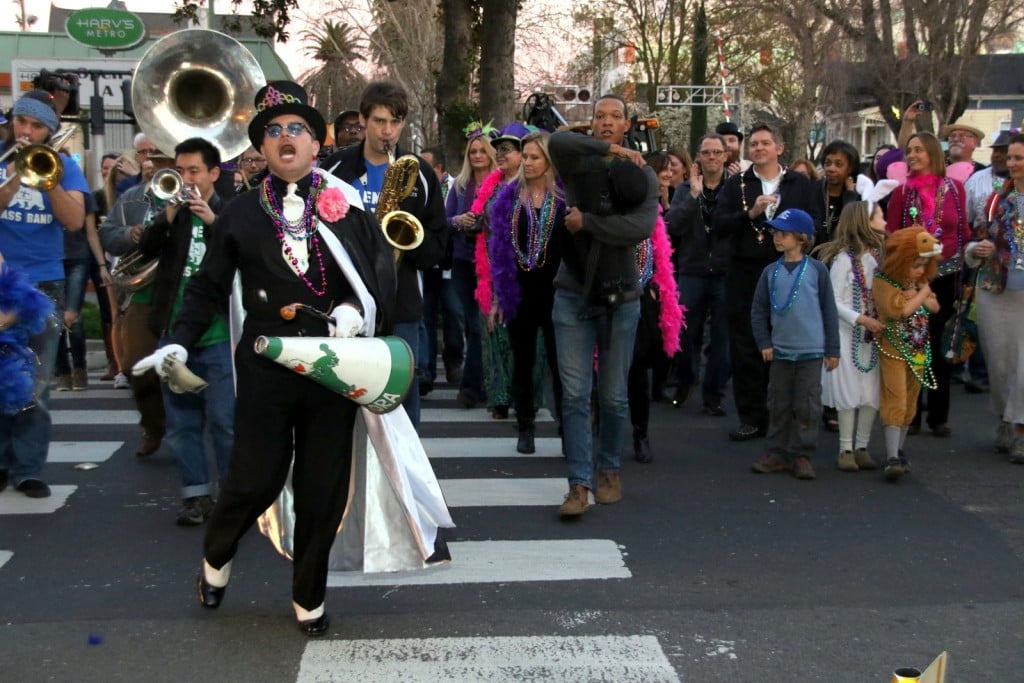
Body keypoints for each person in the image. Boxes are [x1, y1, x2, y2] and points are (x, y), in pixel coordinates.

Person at [132, 81, 420, 635]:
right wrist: (180, 339)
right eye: (273, 131)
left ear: (317, 145)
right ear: (261, 149)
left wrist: (353, 313)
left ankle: (308, 598)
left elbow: (373, 280)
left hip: (331, 366)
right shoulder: (239, 215)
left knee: (323, 488)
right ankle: (216, 558)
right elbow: (208, 288)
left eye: (297, 130)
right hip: (266, 365)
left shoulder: (346, 205)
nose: (285, 138)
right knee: (255, 479)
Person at [548, 94, 658, 516]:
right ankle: (578, 484)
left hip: (622, 297)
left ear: (628, 123)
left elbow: (640, 226)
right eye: (600, 117)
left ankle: (608, 468)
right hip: (572, 293)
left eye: (616, 118)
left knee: (612, 398)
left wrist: (588, 223)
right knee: (575, 396)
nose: (607, 122)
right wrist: (611, 149)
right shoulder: (579, 160)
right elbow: (557, 141)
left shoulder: (641, 175)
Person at [320, 81, 448, 429]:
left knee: (400, 399)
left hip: (401, 301)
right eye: (378, 121)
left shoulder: (419, 173)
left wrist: (409, 243)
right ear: (363, 120)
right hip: (346, 301)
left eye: (394, 122)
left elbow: (438, 242)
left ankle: (404, 479)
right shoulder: (333, 170)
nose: (387, 131)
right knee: (345, 396)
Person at [132, 137, 234, 526]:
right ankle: (196, 496)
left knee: (225, 422)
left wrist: (213, 223)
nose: (186, 178)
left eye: (194, 170)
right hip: (173, 333)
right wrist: (168, 216)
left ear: (213, 173)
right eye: (181, 170)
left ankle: (231, 494)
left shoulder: (228, 214)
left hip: (219, 335)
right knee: (182, 424)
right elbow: (146, 252)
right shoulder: (170, 211)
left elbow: (241, 257)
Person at [0, 90, 88, 498]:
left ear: (49, 131)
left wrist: (47, 178)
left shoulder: (64, 166)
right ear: (13, 122)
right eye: (23, 122)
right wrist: (17, 172)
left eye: (37, 126)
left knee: (36, 380)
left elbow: (73, 221)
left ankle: (29, 468)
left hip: (44, 282)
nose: (28, 131)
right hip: (3, 279)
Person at [714, 123, 820, 441]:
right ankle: (752, 417)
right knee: (747, 345)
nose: (759, 148)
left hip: (790, 271)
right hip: (746, 273)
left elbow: (816, 224)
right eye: (754, 144)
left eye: (765, 143)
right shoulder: (737, 185)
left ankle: (786, 416)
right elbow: (719, 224)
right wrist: (750, 215)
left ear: (779, 148)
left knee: (788, 344)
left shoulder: (798, 183)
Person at [885, 131, 970, 437]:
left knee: (940, 344)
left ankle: (938, 415)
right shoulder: (902, 193)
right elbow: (892, 233)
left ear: (933, 153)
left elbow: (963, 231)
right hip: (913, 277)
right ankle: (911, 414)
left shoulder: (955, 189)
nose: (912, 155)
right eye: (909, 150)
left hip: (946, 275)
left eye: (919, 150)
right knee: (914, 342)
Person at [486, 131, 565, 454]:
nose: (528, 163)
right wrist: (498, 297)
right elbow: (498, 251)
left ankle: (567, 428)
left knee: (562, 364)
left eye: (535, 157)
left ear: (548, 161)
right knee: (523, 360)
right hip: (519, 291)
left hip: (558, 292)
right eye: (526, 157)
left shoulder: (562, 200)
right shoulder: (508, 198)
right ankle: (526, 426)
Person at [750, 209, 839, 480]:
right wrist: (764, 341)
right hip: (780, 351)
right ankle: (776, 452)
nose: (777, 237)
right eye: (775, 232)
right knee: (777, 402)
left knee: (808, 405)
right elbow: (758, 310)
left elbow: (829, 310)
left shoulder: (817, 270)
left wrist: (832, 348)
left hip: (811, 352)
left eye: (783, 233)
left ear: (802, 238)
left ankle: (802, 454)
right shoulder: (770, 272)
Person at [100, 151, 177, 456]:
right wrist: (129, 234)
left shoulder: (190, 192)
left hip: (183, 289)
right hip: (144, 290)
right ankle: (154, 424)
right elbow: (106, 234)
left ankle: (190, 428)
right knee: (134, 364)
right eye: (147, 156)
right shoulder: (132, 197)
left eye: (159, 157)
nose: (151, 163)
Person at [813, 200, 889, 471]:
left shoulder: (876, 259)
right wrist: (862, 320)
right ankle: (845, 447)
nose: (886, 222)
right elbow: (833, 302)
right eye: (880, 217)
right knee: (848, 391)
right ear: (864, 222)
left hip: (872, 336)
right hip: (847, 335)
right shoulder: (844, 261)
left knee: (870, 391)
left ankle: (863, 445)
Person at [964, 132, 1024, 463]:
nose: (1012, 164)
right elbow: (975, 239)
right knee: (1000, 366)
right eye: (1010, 157)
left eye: (1019, 158)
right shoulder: (994, 201)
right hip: (996, 292)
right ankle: (1005, 417)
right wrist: (977, 250)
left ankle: (1020, 430)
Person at [666, 132, 732, 416]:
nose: (712, 157)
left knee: (722, 337)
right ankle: (685, 380)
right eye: (706, 152)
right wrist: (693, 195)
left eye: (717, 152)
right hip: (692, 270)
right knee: (684, 332)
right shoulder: (684, 189)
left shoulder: (735, 189)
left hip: (725, 272)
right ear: (698, 158)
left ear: (725, 156)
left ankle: (713, 394)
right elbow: (672, 227)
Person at [471, 122, 530, 419]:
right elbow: (480, 219)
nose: (501, 155)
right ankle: (499, 397)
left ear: (523, 154)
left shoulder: (528, 187)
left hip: (518, 272)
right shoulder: (492, 184)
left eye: (508, 150)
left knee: (515, 337)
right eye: (499, 150)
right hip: (490, 267)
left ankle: (521, 397)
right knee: (492, 334)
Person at [873, 228, 942, 480]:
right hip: (893, 348)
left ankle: (899, 451)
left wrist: (921, 294)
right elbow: (898, 312)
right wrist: (921, 295)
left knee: (910, 401)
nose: (921, 271)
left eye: (924, 265)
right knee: (896, 398)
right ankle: (891, 455)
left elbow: (935, 306)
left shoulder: (919, 282)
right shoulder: (884, 282)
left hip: (918, 349)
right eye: (915, 265)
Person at [445, 124, 497, 411]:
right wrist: (459, 221)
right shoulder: (461, 185)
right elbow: (445, 219)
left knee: (486, 326)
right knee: (473, 324)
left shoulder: (501, 183)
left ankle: (478, 386)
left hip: (492, 264)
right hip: (464, 261)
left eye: (482, 151)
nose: (477, 155)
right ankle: (475, 386)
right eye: (472, 151)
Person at [418, 145, 464, 395]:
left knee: (454, 314)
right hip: (426, 264)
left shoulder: (456, 187)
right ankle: (427, 371)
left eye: (425, 167)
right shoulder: (418, 189)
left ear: (439, 169)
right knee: (424, 317)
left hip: (450, 266)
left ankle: (454, 363)